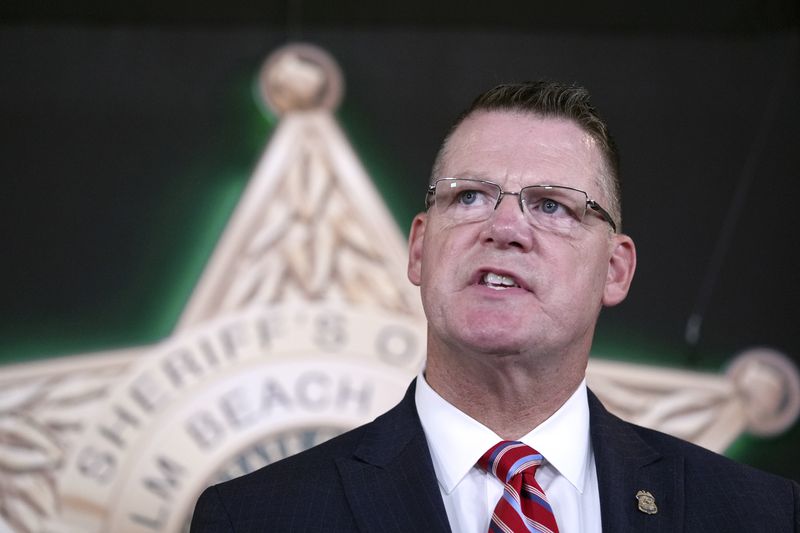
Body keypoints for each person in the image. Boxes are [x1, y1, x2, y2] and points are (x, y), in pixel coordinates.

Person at [190, 81, 800, 532]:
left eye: (553, 205)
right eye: (472, 196)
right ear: (421, 249)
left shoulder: (760, 516)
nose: (505, 227)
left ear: (614, 269)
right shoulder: (256, 517)